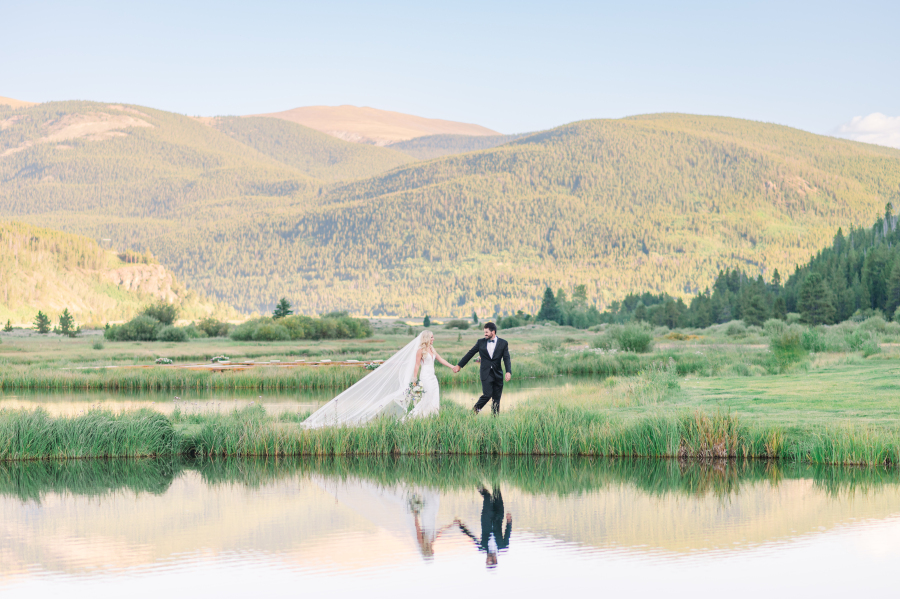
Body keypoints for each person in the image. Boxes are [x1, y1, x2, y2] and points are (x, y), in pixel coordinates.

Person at [302, 330, 453, 428]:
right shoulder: (420, 350)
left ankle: (432, 419)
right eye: (432, 337)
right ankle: (415, 420)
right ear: (427, 338)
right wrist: (414, 381)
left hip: (433, 378)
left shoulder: (432, 349)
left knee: (434, 398)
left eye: (433, 337)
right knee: (425, 399)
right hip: (425, 377)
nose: (434, 339)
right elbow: (416, 367)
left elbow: (440, 359)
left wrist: (453, 366)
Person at [452, 322, 512, 414]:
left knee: (496, 399)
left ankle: (494, 420)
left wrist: (508, 371)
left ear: (493, 332)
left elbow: (506, 358)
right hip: (486, 373)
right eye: (484, 332)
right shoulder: (480, 342)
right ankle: (473, 412)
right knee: (487, 395)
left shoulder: (503, 343)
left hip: (498, 373)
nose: (485, 334)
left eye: (487, 332)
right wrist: (459, 365)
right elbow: (470, 353)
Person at [456, 484, 512, 568]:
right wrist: (509, 522)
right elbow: (507, 533)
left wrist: (461, 527)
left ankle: (475, 481)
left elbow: (472, 537)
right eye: (490, 559)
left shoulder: (482, 547)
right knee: (496, 490)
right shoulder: (503, 546)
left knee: (487, 497)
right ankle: (494, 473)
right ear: (495, 560)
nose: (488, 557)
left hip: (487, 516)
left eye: (487, 560)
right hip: (499, 515)